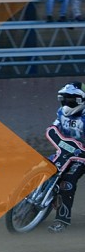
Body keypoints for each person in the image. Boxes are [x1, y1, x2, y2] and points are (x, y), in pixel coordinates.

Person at [48, 82, 85, 232]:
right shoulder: (61, 112)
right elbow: (54, 128)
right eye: (64, 99)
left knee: (67, 182)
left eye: (72, 100)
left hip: (82, 156)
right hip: (64, 152)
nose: (67, 103)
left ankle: (61, 220)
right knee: (40, 167)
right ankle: (21, 203)